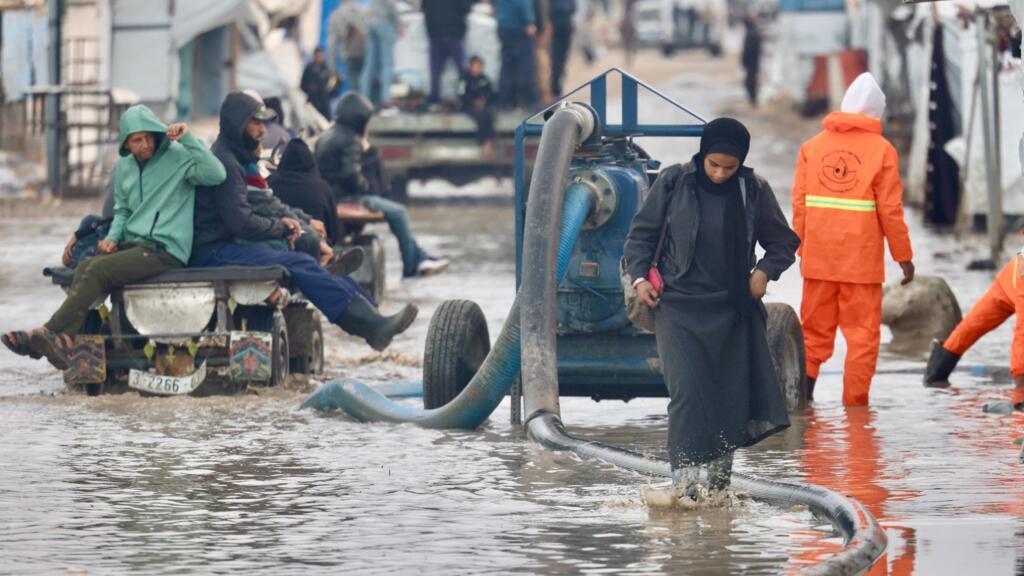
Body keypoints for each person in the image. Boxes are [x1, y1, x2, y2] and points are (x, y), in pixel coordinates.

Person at [624, 118, 798, 500]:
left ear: (741, 164)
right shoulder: (673, 182)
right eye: (713, 165)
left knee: (728, 397)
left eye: (729, 168)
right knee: (686, 395)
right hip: (678, 307)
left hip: (732, 309)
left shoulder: (753, 190)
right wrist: (639, 281)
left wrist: (764, 273)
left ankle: (718, 494)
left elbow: (783, 243)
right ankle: (684, 494)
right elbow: (640, 238)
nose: (720, 174)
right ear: (702, 155)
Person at [191, 91, 418, 351]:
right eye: (256, 123)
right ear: (237, 123)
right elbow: (240, 222)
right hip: (214, 251)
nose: (262, 130)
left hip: (228, 244)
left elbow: (265, 204)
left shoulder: (236, 157)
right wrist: (282, 228)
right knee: (299, 263)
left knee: (305, 261)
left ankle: (373, 320)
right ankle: (370, 325)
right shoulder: (227, 162)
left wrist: (300, 223)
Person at [3, 105, 226, 368]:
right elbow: (122, 211)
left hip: (166, 249)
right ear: (126, 144)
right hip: (133, 245)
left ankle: (45, 333)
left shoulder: (178, 157)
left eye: (148, 137)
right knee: (86, 266)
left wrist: (188, 138)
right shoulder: (124, 167)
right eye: (136, 140)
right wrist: (112, 238)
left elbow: (217, 174)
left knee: (97, 271)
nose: (144, 144)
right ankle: (63, 338)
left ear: (156, 134)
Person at [792, 72, 915, 406]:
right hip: (860, 265)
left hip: (818, 261)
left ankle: (802, 408)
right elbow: (891, 210)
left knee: (813, 336)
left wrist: (802, 249)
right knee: (862, 338)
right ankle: (857, 416)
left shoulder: (811, 148)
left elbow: (799, 205)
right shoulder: (882, 151)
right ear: (876, 112)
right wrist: (903, 256)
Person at [315, 92, 450, 278]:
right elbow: (351, 175)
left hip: (332, 197)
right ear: (359, 119)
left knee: (395, 211)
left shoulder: (327, 135)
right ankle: (411, 267)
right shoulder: (350, 139)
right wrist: (365, 187)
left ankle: (420, 257)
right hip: (348, 199)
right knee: (398, 212)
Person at [924, 247, 1024, 388]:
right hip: (1010, 283)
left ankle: (935, 380)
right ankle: (934, 379)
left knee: (968, 329)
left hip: (1011, 277)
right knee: (969, 329)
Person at [269, 139, 341, 246]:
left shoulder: (270, 183)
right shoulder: (322, 188)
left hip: (277, 246)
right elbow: (334, 232)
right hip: (316, 249)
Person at [422, 0, 476, 104]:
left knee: (435, 70)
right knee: (462, 70)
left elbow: (424, 7)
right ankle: (463, 94)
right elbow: (466, 8)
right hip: (454, 35)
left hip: (435, 34)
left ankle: (434, 96)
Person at [496, 0, 538, 109]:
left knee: (507, 67)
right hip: (519, 28)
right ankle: (529, 101)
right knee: (525, 66)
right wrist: (528, 21)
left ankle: (506, 100)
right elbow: (523, 3)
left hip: (503, 25)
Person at [362, 0, 401, 107]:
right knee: (387, 64)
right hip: (384, 22)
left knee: (370, 65)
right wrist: (399, 22)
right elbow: (391, 5)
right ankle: (386, 98)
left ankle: (363, 97)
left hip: (371, 22)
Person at [458, 55, 497, 158]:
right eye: (475, 66)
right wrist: (473, 102)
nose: (477, 68)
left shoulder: (484, 79)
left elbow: (491, 94)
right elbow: (461, 95)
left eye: (479, 66)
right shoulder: (464, 79)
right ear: (471, 66)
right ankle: (484, 143)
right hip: (468, 106)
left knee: (489, 115)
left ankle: (488, 143)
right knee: (481, 117)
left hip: (483, 106)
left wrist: (484, 101)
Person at [327, 0, 368, 95]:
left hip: (350, 55)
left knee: (354, 89)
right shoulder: (364, 11)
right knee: (367, 88)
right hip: (366, 54)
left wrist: (332, 68)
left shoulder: (336, 15)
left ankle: (357, 106)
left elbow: (331, 44)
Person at [301, 48, 341, 119]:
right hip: (312, 103)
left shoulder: (328, 69)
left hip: (324, 103)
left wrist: (337, 81)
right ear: (314, 56)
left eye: (321, 56)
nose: (319, 58)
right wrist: (310, 88)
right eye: (317, 56)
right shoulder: (309, 69)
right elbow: (302, 86)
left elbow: (333, 89)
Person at [548, 0, 576, 97]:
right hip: (564, 22)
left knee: (556, 56)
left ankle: (555, 86)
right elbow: (573, 8)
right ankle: (556, 86)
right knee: (560, 57)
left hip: (555, 22)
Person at [741, 16, 762, 107]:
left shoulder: (751, 34)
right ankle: (753, 99)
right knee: (751, 82)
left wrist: (744, 61)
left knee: (750, 82)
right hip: (754, 62)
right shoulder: (754, 33)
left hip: (751, 63)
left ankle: (753, 99)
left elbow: (748, 50)